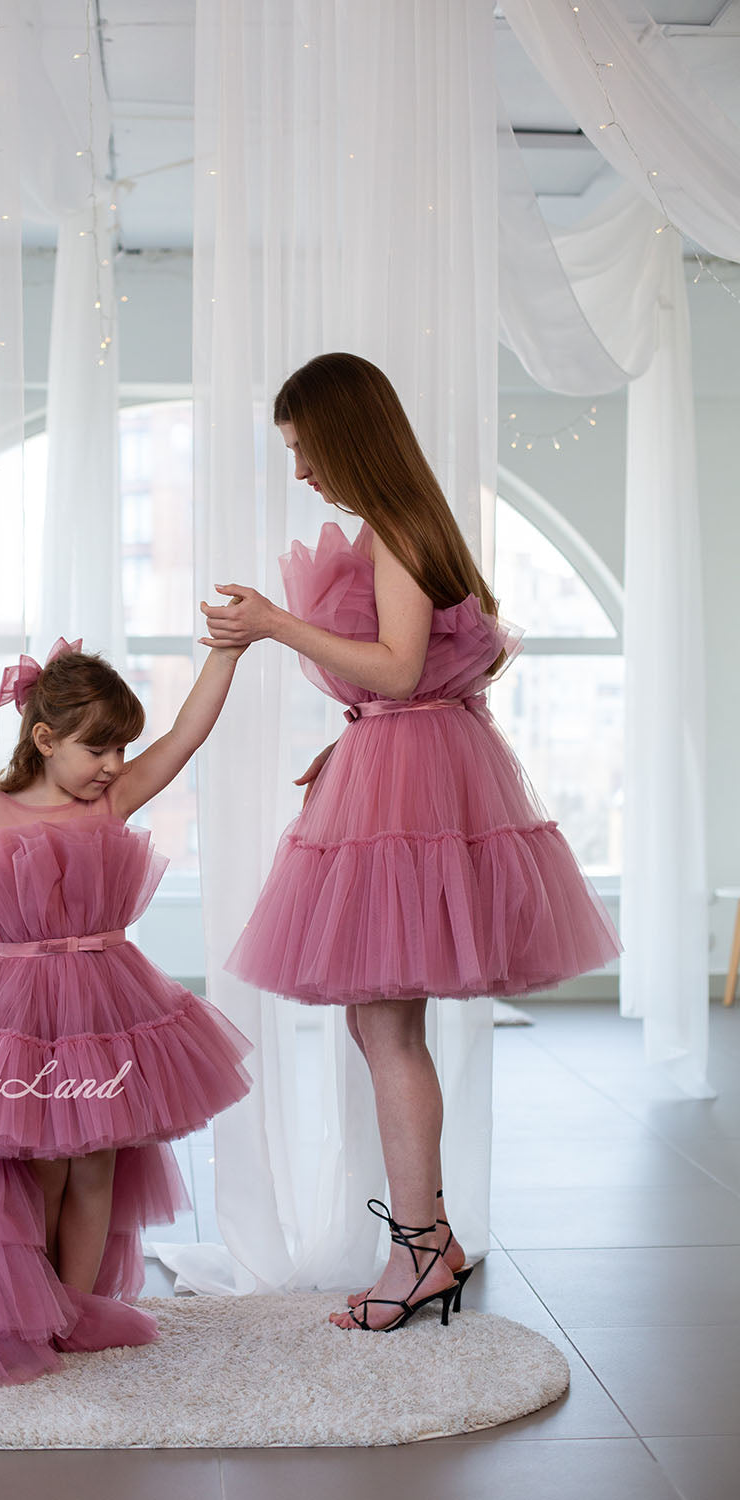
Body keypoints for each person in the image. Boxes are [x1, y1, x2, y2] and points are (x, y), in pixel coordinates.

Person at [200, 351, 621, 1333]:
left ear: (347, 437)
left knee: (385, 1028)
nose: (301, 471)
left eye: (304, 449)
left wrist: (272, 625)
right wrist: (350, 759)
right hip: (412, 766)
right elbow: (433, 674)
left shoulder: (395, 531)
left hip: (411, 780)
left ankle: (424, 1249)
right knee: (378, 1025)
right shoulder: (415, 526)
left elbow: (393, 669)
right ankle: (427, 1240)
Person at [0, 636, 253, 1389]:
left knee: (97, 1159)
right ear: (44, 739)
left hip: (105, 1000)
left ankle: (82, 1305)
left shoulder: (112, 800)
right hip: (23, 1006)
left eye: (122, 749)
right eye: (100, 748)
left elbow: (185, 738)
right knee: (42, 1166)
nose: (115, 766)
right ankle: (33, 1305)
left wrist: (225, 658)